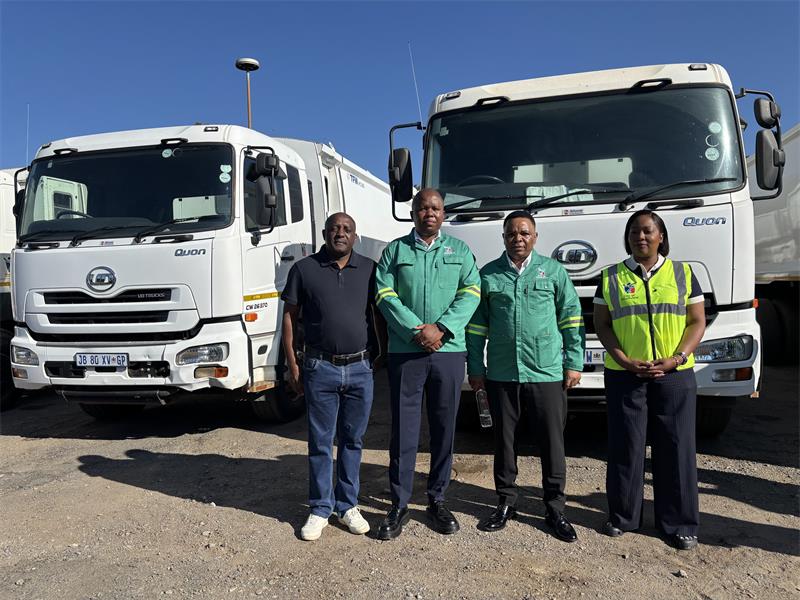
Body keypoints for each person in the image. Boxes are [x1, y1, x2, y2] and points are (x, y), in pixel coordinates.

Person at [466, 210, 585, 543]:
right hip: (502, 373)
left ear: (535, 236)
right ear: (503, 238)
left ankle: (554, 508)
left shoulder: (553, 272)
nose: (518, 238)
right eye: (511, 234)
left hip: (545, 372)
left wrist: (573, 362)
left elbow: (571, 318)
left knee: (552, 442)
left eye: (524, 233)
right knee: (503, 442)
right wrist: (476, 366)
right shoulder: (488, 275)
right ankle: (506, 502)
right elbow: (476, 328)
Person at [593, 209, 706, 551]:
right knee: (626, 447)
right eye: (634, 232)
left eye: (647, 231)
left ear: (661, 236)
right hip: (626, 377)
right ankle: (623, 517)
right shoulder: (611, 276)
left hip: (674, 377)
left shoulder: (684, 273)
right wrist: (625, 361)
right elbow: (603, 324)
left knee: (676, 448)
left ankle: (679, 524)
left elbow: (697, 321)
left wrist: (677, 358)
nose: (640, 237)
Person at [374, 188, 481, 540]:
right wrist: (415, 330)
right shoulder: (395, 251)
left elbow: (471, 291)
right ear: (413, 212)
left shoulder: (460, 251)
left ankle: (437, 499)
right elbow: (384, 294)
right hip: (407, 352)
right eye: (423, 208)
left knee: (443, 427)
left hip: (448, 351)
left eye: (435, 208)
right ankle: (400, 503)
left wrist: (443, 329)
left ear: (443, 213)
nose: (429, 213)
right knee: (404, 429)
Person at [281, 212, 380, 541]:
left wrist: (380, 359)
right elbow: (290, 318)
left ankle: (347, 504)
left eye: (347, 229)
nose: (341, 233)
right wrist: (292, 364)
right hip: (319, 367)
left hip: (360, 367)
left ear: (355, 236)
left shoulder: (368, 269)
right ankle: (320, 507)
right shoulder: (304, 270)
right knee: (321, 442)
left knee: (353, 440)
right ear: (324, 233)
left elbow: (380, 313)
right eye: (335, 229)